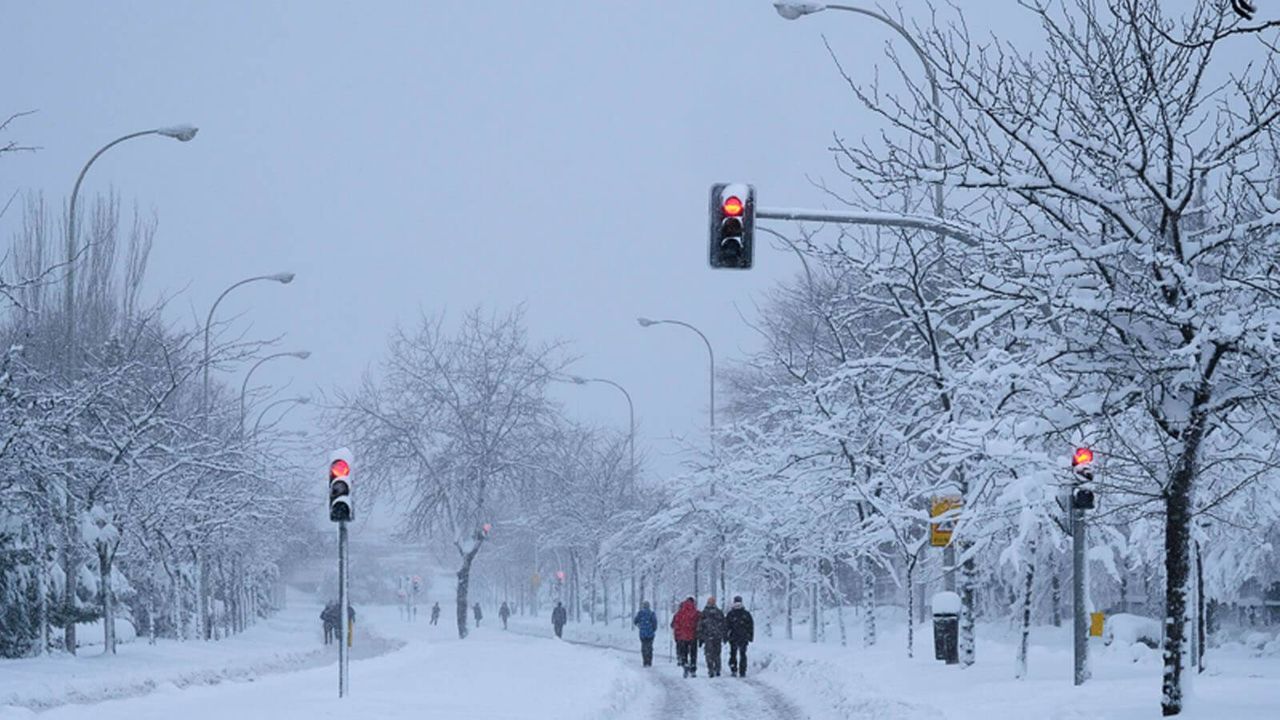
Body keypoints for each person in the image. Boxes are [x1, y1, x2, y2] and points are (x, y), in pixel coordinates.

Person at [697, 596, 727, 678]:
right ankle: (717, 669)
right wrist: (724, 635)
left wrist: (700, 637)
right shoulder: (719, 612)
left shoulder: (704, 613)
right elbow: (724, 625)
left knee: (708, 654)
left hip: (708, 636)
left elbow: (700, 626)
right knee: (717, 653)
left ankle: (710, 669)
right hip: (717, 636)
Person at [671, 596, 700, 678]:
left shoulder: (679, 613)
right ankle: (693, 669)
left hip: (683, 637)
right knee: (693, 653)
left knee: (684, 653)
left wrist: (678, 632)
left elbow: (674, 624)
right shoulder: (696, 612)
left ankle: (685, 665)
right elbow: (700, 623)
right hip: (693, 636)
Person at [725, 595, 755, 677]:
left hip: (733, 637)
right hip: (743, 637)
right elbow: (750, 626)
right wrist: (750, 636)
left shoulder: (731, 614)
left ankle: (734, 669)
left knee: (733, 653)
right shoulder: (746, 614)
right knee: (742, 654)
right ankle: (742, 671)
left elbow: (726, 626)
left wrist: (726, 636)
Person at [632, 600, 657, 667]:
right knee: (650, 647)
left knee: (643, 647)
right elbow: (655, 624)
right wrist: (652, 629)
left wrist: (639, 626)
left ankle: (645, 661)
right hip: (650, 634)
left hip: (642, 634)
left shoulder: (640, 613)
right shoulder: (652, 613)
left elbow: (635, 621)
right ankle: (649, 661)